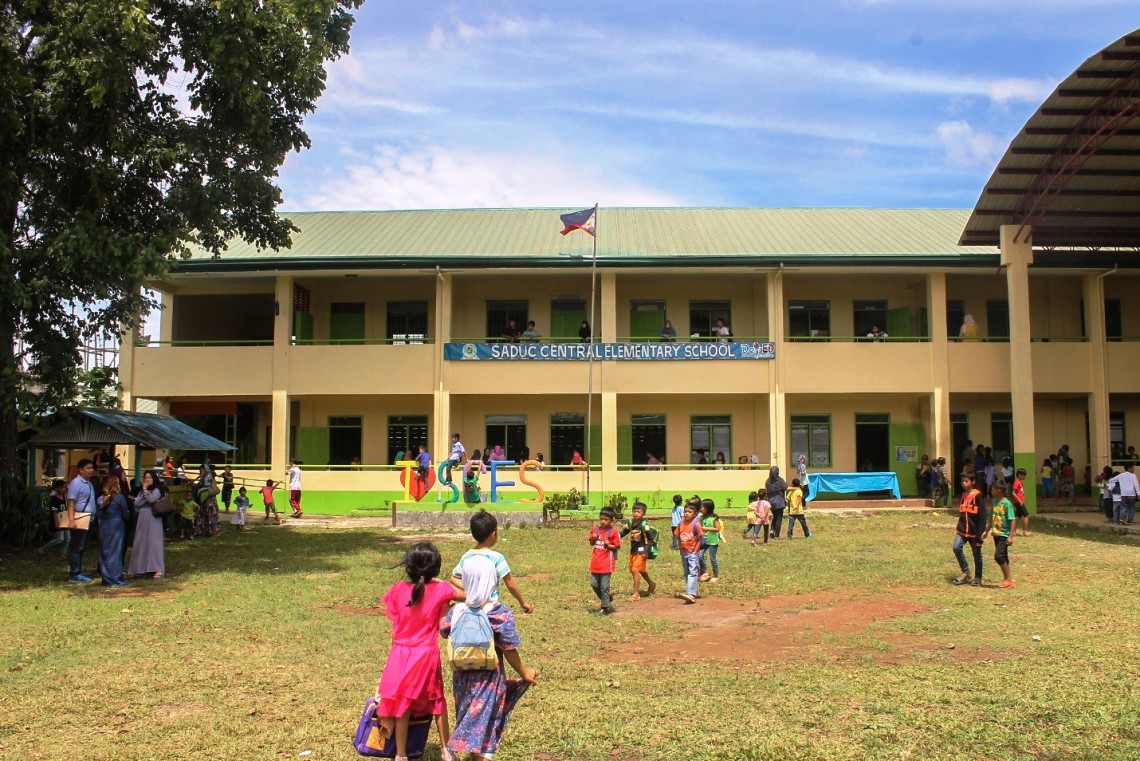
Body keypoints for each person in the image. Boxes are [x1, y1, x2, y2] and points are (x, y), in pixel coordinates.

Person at [442, 555, 537, 761]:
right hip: (489, 679)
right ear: (492, 581)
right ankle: (455, 747)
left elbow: (444, 630)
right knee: (485, 720)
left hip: (461, 678)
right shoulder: (497, 612)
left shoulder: (457, 610)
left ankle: (472, 754)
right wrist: (524, 672)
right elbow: (509, 647)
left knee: (469, 714)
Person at [374, 542, 457, 761]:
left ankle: (401, 754)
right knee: (437, 699)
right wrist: (441, 583)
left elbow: (394, 616)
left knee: (403, 702)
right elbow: (467, 596)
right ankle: (446, 750)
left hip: (400, 654)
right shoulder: (441, 590)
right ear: (435, 567)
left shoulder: (398, 589)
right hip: (426, 653)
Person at [450, 510, 535, 614]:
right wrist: (523, 603)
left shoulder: (467, 556)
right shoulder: (497, 558)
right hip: (490, 609)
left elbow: (453, 578)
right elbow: (510, 584)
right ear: (494, 534)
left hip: (469, 609)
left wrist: (470, 586)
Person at [128, 470, 166, 579]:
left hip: (153, 518)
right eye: (145, 477)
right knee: (141, 541)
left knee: (154, 542)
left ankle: (158, 568)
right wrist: (145, 495)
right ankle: (141, 568)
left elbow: (152, 498)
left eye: (149, 477)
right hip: (143, 517)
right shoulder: (142, 491)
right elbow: (136, 503)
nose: (147, 479)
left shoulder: (157, 489)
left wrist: (145, 494)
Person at [65, 458, 97, 583]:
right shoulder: (76, 483)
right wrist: (71, 520)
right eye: (88, 468)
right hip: (80, 518)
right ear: (81, 470)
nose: (91, 470)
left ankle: (78, 571)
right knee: (77, 546)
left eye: (92, 468)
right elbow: (71, 502)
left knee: (82, 546)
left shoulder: (88, 483)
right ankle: (75, 574)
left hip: (89, 518)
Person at [952, 472, 987, 587]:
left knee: (976, 554)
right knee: (956, 547)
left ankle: (978, 577)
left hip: (974, 531)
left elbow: (982, 517)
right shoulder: (962, 496)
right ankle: (965, 572)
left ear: (973, 482)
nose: (963, 483)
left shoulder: (978, 496)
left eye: (966, 481)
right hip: (962, 530)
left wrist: (980, 534)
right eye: (962, 481)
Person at [96, 475, 130, 587]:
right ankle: (116, 578)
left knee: (104, 552)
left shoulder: (100, 499)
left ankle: (106, 578)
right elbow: (126, 513)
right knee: (115, 552)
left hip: (104, 526)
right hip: (116, 526)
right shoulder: (119, 498)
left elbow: (99, 514)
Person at [619, 501, 657, 600]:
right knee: (638, 570)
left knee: (635, 570)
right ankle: (651, 584)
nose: (636, 513)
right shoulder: (630, 522)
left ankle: (636, 594)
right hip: (633, 551)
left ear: (643, 513)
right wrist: (616, 536)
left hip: (641, 552)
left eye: (638, 512)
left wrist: (645, 551)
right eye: (634, 511)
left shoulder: (644, 525)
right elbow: (624, 532)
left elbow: (651, 540)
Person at [587, 507, 621, 615]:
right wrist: (592, 538)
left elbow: (617, 546)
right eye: (601, 519)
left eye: (606, 519)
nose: (603, 521)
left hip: (606, 562)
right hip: (596, 561)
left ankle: (605, 608)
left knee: (604, 586)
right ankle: (607, 598)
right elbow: (592, 544)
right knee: (594, 583)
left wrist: (608, 544)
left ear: (611, 521)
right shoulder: (595, 530)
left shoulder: (613, 532)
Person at [674, 500, 704, 604]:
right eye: (685, 511)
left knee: (693, 572)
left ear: (694, 514)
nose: (686, 513)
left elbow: (700, 538)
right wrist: (680, 548)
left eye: (689, 512)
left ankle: (691, 594)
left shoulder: (696, 524)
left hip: (693, 552)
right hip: (684, 552)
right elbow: (678, 536)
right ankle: (690, 591)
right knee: (687, 572)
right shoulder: (680, 524)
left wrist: (696, 550)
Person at [988, 482, 1016, 589]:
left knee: (998, 556)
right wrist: (986, 531)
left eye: (993, 489)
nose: (991, 491)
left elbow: (1012, 520)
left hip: (1004, 534)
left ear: (999, 490)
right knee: (1004, 556)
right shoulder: (994, 502)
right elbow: (991, 518)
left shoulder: (1007, 503)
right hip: (996, 533)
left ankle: (1008, 579)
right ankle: (1009, 580)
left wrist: (1011, 536)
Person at [36, 479, 70, 560]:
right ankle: (43, 549)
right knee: (59, 539)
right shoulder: (54, 499)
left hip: (65, 520)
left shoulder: (65, 498)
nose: (65, 489)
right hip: (58, 520)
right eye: (63, 487)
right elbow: (54, 511)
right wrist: (56, 522)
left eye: (65, 487)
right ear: (57, 488)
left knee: (68, 538)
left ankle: (63, 553)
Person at [698, 499, 723, 581]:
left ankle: (715, 576)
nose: (700, 509)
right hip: (705, 540)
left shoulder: (714, 518)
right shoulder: (702, 517)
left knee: (713, 558)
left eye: (702, 507)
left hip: (713, 541)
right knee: (699, 555)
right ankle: (705, 571)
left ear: (707, 508)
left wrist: (706, 528)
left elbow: (717, 528)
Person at [766, 466, 788, 539]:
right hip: (779, 501)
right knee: (779, 518)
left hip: (771, 502)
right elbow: (785, 487)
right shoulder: (780, 480)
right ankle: (776, 535)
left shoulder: (768, 481)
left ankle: (772, 530)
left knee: (774, 516)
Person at [1011, 468, 1031, 536]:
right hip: (1019, 502)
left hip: (1019, 502)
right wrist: (1019, 501)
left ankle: (1013, 531)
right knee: (1026, 515)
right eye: (1023, 475)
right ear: (1019, 475)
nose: (1024, 477)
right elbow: (1013, 493)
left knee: (1017, 516)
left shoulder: (1020, 483)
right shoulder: (1017, 482)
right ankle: (1025, 531)